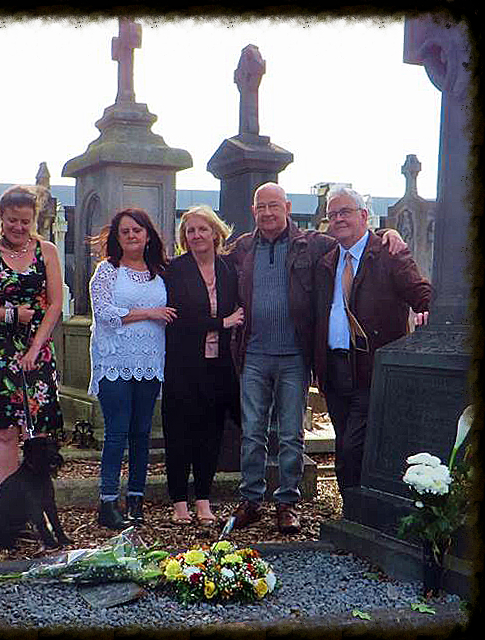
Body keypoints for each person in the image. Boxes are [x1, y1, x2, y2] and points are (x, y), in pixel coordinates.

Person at [228, 182, 406, 534]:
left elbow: (354, 238)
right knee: (252, 432)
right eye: (261, 207)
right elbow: (205, 254)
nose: (267, 213)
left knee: (291, 434)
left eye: (274, 206)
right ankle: (251, 500)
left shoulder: (311, 245)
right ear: (253, 211)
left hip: (295, 354)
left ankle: (287, 502)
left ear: (287, 208)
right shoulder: (242, 249)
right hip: (254, 354)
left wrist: (390, 233)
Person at [313, 186, 432, 502]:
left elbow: (421, 293)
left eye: (345, 212)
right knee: (344, 441)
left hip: (373, 368)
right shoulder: (327, 261)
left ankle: (357, 509)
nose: (338, 219)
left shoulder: (389, 254)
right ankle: (353, 509)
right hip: (335, 368)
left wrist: (430, 315)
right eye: (333, 214)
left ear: (364, 215)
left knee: (352, 446)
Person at [0, 185, 64, 483]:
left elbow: (55, 304)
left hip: (38, 347)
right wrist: (10, 314)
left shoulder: (47, 251)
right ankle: (7, 503)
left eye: (25, 221)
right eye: (12, 220)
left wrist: (35, 348)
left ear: (34, 220)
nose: (18, 227)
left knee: (38, 430)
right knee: (6, 430)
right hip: (0, 350)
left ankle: (38, 500)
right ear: (1, 217)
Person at [88, 208, 176, 530]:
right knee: (117, 432)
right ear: (117, 237)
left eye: (137, 230)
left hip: (149, 362)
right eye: (124, 231)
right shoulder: (107, 271)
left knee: (141, 433)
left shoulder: (160, 272)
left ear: (148, 235)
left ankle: (136, 499)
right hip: (114, 360)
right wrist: (149, 313)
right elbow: (104, 312)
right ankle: (108, 501)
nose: (131, 236)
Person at [162, 205, 244, 525]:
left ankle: (204, 500)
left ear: (215, 233)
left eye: (202, 229)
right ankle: (179, 501)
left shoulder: (228, 269)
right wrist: (222, 322)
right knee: (180, 433)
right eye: (190, 231)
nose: (196, 235)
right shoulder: (175, 270)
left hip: (218, 365)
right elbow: (178, 318)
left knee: (211, 434)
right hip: (183, 365)